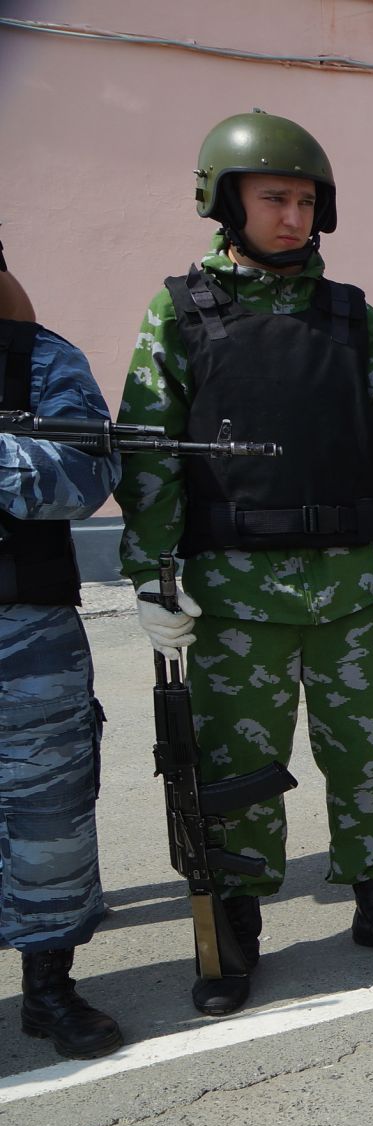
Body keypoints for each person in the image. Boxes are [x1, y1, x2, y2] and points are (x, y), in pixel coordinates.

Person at [116, 110, 373, 1018]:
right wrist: (152, 576)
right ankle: (239, 923)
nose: (293, 217)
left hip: (350, 586)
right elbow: (151, 450)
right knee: (238, 770)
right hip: (236, 594)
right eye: (274, 199)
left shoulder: (352, 318)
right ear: (227, 203)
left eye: (306, 201)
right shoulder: (180, 314)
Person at [0, 241, 124, 1059]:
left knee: (50, 819)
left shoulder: (39, 360)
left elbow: (87, 474)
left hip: (27, 628)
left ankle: (48, 990)